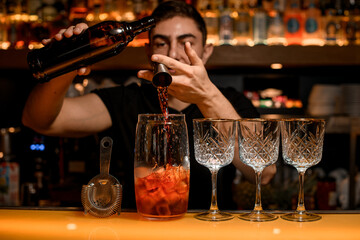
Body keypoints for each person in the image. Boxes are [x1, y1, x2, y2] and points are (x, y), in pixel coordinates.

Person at [22, 0, 276, 210]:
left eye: (186, 43)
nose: (173, 54)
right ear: (148, 51)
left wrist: (207, 96)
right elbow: (40, 121)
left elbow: (263, 172)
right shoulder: (128, 99)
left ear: (206, 51)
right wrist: (67, 62)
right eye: (162, 43)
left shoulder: (229, 101)